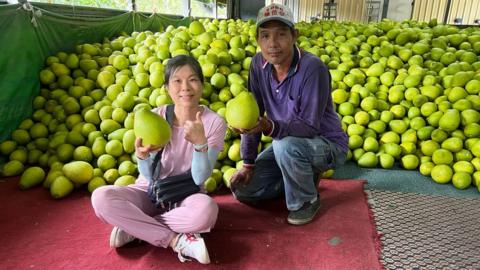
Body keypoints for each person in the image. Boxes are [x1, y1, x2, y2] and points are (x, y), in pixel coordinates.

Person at [91, 55, 227, 264]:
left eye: (192, 79)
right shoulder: (155, 116)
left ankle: (136, 228)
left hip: (187, 195)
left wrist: (200, 144)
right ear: (166, 87)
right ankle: (175, 240)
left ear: (202, 84)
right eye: (177, 81)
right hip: (150, 191)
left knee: (207, 212)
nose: (185, 87)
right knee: (101, 198)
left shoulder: (214, 122)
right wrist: (143, 157)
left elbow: (200, 178)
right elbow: (147, 175)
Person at [229, 3, 348, 226]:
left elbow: (309, 126)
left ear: (294, 35)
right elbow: (252, 113)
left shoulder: (313, 68)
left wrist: (268, 127)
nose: (273, 44)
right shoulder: (257, 65)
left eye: (281, 35)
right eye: (265, 36)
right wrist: (248, 163)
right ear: (257, 39)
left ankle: (306, 200)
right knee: (245, 191)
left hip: (325, 144)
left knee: (284, 145)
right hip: (288, 143)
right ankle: (302, 178)